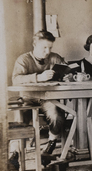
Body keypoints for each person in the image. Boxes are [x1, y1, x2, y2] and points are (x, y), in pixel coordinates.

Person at [10, 30, 67, 161]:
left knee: (56, 115)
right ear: (34, 45)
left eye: (50, 47)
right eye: (44, 47)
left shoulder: (55, 57)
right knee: (19, 120)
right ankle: (14, 153)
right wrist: (38, 77)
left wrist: (68, 75)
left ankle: (50, 146)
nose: (47, 51)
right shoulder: (23, 59)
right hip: (27, 97)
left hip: (47, 98)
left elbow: (66, 69)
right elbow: (16, 79)